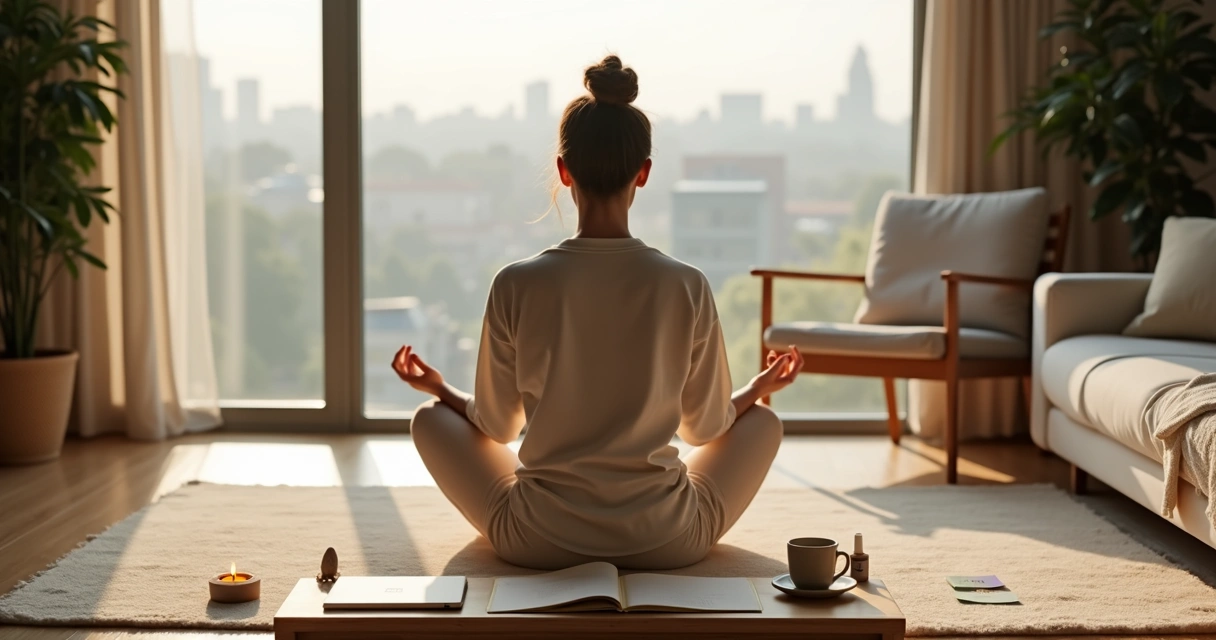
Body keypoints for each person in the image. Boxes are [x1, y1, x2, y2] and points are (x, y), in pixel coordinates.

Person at [391, 55, 804, 570]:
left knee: (431, 420)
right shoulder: (686, 284)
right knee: (762, 423)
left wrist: (440, 391)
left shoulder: (515, 283)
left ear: (564, 172)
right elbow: (705, 429)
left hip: (536, 539)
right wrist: (757, 391)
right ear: (644, 173)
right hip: (669, 540)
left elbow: (496, 426)